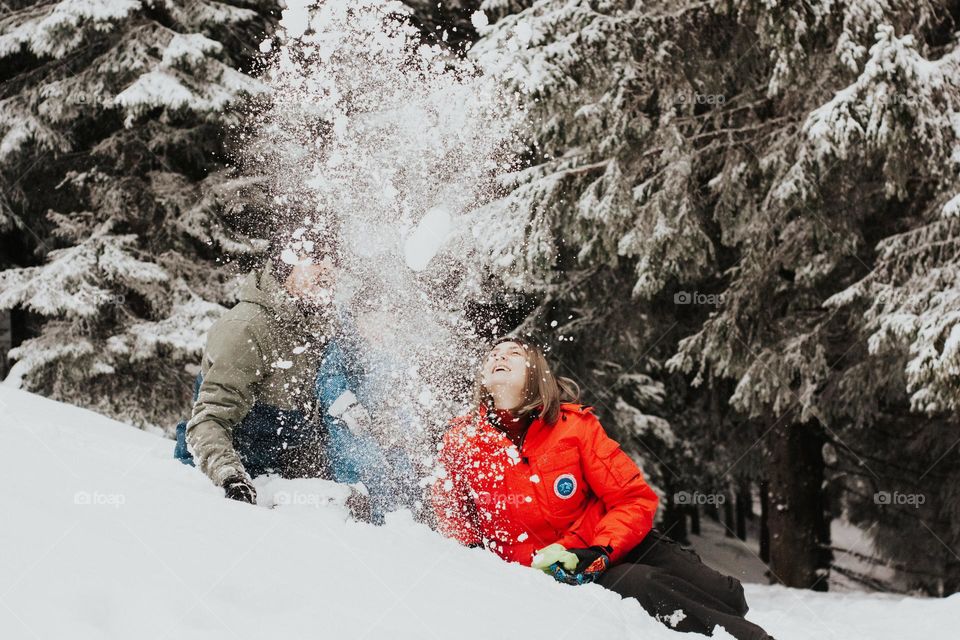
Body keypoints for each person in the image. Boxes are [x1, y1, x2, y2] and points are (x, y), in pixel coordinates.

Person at [432, 337, 772, 640]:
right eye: (493, 354)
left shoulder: (574, 427)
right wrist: (477, 559)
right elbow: (453, 517)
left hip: (610, 542)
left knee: (727, 595)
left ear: (536, 373)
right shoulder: (462, 441)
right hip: (559, 571)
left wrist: (600, 550)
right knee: (646, 585)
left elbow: (633, 498)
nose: (499, 357)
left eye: (513, 353)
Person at [179, 232, 338, 504]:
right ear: (284, 265)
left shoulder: (318, 326)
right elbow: (208, 421)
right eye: (313, 259)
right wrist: (231, 478)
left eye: (331, 261)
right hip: (234, 480)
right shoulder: (245, 329)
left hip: (286, 475)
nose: (326, 269)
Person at [315, 310, 420, 524]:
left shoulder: (392, 354)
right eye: (375, 319)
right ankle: (371, 523)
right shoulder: (346, 345)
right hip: (346, 426)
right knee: (372, 468)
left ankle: (408, 523)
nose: (382, 328)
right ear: (359, 320)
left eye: (389, 323)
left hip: (380, 428)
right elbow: (328, 378)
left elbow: (400, 395)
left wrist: (403, 428)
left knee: (404, 471)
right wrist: (348, 406)